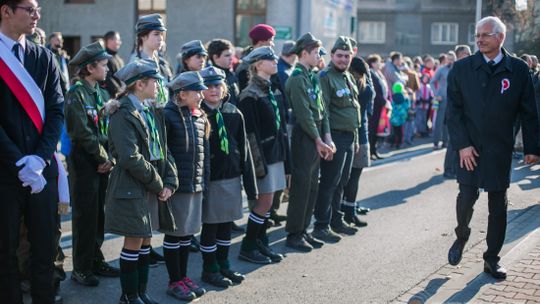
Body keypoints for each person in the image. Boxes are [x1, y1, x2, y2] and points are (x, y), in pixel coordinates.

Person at [446, 16, 540, 280]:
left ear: (500, 37)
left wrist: (533, 147)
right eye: (477, 34)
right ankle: (462, 235)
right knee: (466, 198)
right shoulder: (462, 68)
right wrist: (462, 145)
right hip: (469, 150)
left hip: (500, 149)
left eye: (485, 34)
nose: (479, 39)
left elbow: (529, 111)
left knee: (498, 205)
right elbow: (453, 112)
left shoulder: (518, 70)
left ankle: (492, 259)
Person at [0, 0, 66, 302]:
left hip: (41, 171)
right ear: (6, 11)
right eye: (29, 8)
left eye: (38, 9)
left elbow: (56, 110)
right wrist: (18, 160)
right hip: (4, 171)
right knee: (6, 251)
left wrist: (38, 159)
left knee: (44, 250)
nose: (37, 15)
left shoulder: (44, 57)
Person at [105, 59, 177, 304]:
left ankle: (141, 293)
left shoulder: (150, 109)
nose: (158, 85)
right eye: (154, 81)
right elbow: (129, 157)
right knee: (134, 240)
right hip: (131, 185)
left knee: (146, 239)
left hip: (149, 182)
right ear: (139, 84)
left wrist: (169, 181)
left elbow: (163, 149)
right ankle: (129, 296)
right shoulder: (122, 113)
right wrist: (158, 184)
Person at [65, 41, 120, 287]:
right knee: (85, 216)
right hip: (85, 160)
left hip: (101, 160)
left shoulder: (99, 91)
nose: (107, 68)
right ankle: (81, 267)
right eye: (103, 64)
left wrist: (109, 158)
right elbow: (81, 132)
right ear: (89, 67)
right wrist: (102, 158)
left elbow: (105, 128)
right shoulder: (76, 92)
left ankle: (95, 259)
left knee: (99, 214)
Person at [199, 66, 257, 287]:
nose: (214, 90)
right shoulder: (198, 114)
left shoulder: (234, 113)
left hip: (231, 179)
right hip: (210, 180)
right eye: (209, 86)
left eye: (217, 85)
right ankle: (209, 268)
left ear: (224, 88)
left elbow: (244, 150)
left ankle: (223, 265)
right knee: (211, 227)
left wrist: (251, 186)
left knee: (226, 227)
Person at [236, 46, 289, 264]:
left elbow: (281, 128)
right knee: (263, 202)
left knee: (269, 202)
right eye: (270, 58)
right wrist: (258, 166)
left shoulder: (270, 89)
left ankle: (261, 243)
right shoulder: (250, 95)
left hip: (275, 154)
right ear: (258, 65)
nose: (275, 61)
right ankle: (248, 246)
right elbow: (250, 136)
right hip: (263, 158)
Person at [162, 71, 209, 301]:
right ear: (182, 94)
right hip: (177, 186)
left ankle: (183, 276)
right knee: (174, 234)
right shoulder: (168, 115)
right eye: (197, 91)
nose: (202, 95)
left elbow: (204, 154)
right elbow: (164, 153)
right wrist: (168, 183)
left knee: (186, 234)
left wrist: (204, 181)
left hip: (195, 183)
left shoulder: (199, 116)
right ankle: (174, 280)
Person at [284, 33, 333, 252]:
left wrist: (327, 138)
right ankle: (294, 233)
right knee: (302, 187)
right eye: (315, 52)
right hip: (305, 137)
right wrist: (317, 139)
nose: (319, 56)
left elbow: (323, 110)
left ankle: (304, 229)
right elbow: (304, 114)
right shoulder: (296, 78)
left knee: (313, 185)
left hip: (317, 136)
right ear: (304, 53)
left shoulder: (312, 76)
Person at [131, 12, 172, 265]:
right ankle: (143, 244)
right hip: (146, 128)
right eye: (155, 34)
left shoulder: (161, 62)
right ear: (143, 37)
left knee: (157, 192)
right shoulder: (136, 63)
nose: (160, 38)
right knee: (146, 190)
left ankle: (148, 244)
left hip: (162, 125)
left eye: (161, 34)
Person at [312, 36, 361, 243]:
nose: (343, 59)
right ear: (332, 56)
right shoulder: (325, 77)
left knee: (342, 181)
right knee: (330, 182)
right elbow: (324, 112)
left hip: (349, 136)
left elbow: (353, 108)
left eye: (347, 56)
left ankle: (335, 220)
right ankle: (321, 225)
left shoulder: (347, 76)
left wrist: (356, 138)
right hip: (335, 137)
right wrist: (327, 139)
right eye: (339, 56)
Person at [342, 56, 374, 226]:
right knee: (354, 178)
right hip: (361, 136)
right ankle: (350, 212)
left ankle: (343, 212)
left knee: (344, 178)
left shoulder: (347, 85)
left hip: (349, 134)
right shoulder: (366, 88)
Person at [236, 24, 276, 91]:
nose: (273, 44)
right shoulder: (246, 66)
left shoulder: (269, 61)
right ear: (261, 42)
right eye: (271, 40)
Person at [430, 52, 456, 150]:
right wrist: (437, 95)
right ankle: (436, 142)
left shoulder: (458, 69)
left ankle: (446, 142)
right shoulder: (441, 69)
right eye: (448, 59)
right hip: (442, 99)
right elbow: (432, 82)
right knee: (439, 122)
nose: (450, 60)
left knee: (449, 122)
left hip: (453, 99)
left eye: (452, 58)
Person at [367, 54, 389, 159]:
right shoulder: (371, 73)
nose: (380, 64)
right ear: (372, 63)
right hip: (376, 105)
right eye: (378, 62)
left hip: (381, 104)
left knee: (377, 129)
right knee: (373, 128)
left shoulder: (378, 73)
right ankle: (370, 151)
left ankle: (374, 150)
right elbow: (376, 90)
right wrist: (383, 101)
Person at [207, 38, 240, 106]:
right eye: (227, 55)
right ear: (215, 57)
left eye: (231, 55)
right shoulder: (209, 78)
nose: (231, 58)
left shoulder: (232, 74)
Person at [102, 30, 125, 98]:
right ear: (109, 41)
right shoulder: (104, 58)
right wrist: (119, 91)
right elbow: (107, 77)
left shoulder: (118, 58)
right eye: (118, 40)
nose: (120, 42)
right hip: (111, 96)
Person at [389, 82, 410, 149]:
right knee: (400, 131)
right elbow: (407, 106)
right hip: (401, 117)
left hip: (393, 117)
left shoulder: (392, 97)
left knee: (394, 130)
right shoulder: (405, 97)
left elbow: (391, 106)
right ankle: (399, 144)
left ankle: (392, 143)